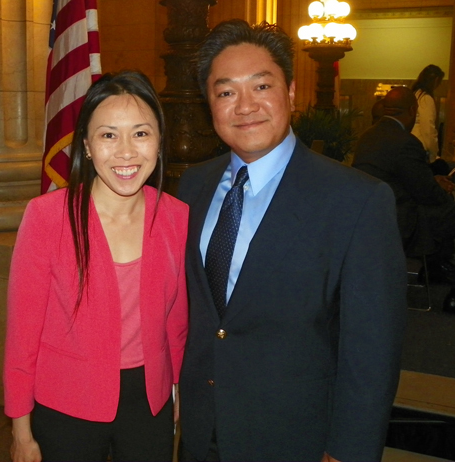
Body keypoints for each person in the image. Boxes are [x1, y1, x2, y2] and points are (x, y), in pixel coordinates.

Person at [177, 19, 407, 462]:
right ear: (210, 104)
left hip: (295, 437)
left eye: (261, 86)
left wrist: (349, 451)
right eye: (226, 92)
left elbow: (372, 350)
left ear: (291, 92)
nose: (245, 106)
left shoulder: (357, 201)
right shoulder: (194, 185)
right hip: (202, 431)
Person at [3, 70, 189, 462]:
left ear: (158, 141)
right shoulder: (47, 217)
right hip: (67, 401)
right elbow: (23, 331)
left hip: (149, 400)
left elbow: (177, 319)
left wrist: (176, 388)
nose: (126, 152)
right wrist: (21, 428)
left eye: (140, 133)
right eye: (108, 135)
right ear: (87, 145)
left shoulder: (176, 216)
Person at [353, 86, 455, 284]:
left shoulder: (368, 136)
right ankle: (439, 269)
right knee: (448, 208)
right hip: (399, 220)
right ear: (411, 111)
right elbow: (426, 193)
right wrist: (443, 188)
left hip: (368, 216)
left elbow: (395, 177)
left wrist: (432, 180)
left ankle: (435, 267)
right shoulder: (406, 142)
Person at [411, 64, 445, 163]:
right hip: (421, 145)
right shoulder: (425, 98)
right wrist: (434, 154)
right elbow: (428, 128)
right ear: (436, 80)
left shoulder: (415, 94)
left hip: (412, 143)